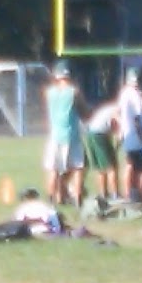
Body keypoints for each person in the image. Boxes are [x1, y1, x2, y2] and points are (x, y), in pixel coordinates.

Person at [42, 60, 88, 207]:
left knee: (53, 170)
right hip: (72, 135)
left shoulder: (49, 93)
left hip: (55, 136)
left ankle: (51, 200)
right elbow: (85, 113)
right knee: (78, 167)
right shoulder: (75, 92)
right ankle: (78, 199)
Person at [116, 68, 142, 202]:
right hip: (136, 137)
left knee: (130, 165)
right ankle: (139, 194)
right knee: (141, 168)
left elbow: (119, 112)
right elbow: (137, 118)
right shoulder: (135, 95)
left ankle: (128, 193)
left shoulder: (123, 93)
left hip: (128, 135)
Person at [84, 97, 119, 201]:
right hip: (99, 135)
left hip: (92, 133)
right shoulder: (117, 109)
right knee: (111, 168)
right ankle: (115, 195)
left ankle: (103, 194)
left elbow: (112, 127)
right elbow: (117, 122)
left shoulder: (109, 108)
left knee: (100, 168)